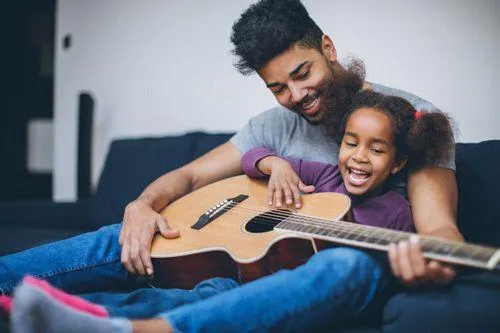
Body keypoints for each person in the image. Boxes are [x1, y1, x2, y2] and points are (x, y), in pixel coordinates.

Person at [0, 0, 460, 325]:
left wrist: (435, 260)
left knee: (342, 269)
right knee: (130, 234)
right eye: (278, 87)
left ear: (327, 47)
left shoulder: (409, 120)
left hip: (319, 274)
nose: (295, 96)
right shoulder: (274, 125)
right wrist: (141, 206)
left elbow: (439, 227)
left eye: (302, 73)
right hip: (236, 260)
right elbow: (191, 175)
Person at [3, 90, 455, 333]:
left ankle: (89, 320)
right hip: (231, 245)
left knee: (202, 294)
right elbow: (247, 158)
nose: (358, 157)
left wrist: (416, 266)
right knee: (132, 231)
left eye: (375, 151)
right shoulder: (325, 178)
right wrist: (273, 162)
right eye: (351, 144)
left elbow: (410, 253)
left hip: (261, 281)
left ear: (397, 163)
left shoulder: (396, 213)